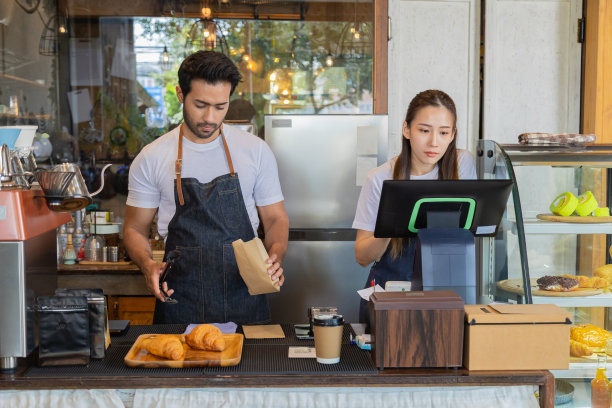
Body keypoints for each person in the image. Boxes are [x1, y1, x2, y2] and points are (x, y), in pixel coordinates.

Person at [124, 51, 289, 325]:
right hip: (179, 297)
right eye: (200, 105)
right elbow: (133, 229)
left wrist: (276, 255)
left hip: (245, 293)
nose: (210, 118)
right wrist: (147, 265)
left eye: (220, 106)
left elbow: (275, 218)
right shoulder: (152, 157)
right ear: (180, 94)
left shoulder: (255, 151)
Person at [352, 89, 477, 324]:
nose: (434, 142)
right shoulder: (380, 178)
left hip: (446, 297)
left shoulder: (463, 165)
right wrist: (392, 223)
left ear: (453, 135)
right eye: (424, 130)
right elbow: (361, 255)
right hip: (389, 302)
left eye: (443, 132)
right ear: (406, 129)